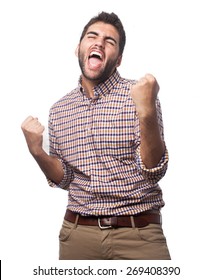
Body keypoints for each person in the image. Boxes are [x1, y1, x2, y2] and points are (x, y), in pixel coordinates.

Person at [21, 11, 171, 260]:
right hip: (78, 234)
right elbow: (66, 178)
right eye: (92, 36)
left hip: (139, 234)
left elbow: (154, 170)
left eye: (109, 41)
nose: (99, 43)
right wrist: (37, 153)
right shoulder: (60, 110)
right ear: (79, 48)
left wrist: (146, 113)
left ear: (119, 59)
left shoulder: (139, 95)